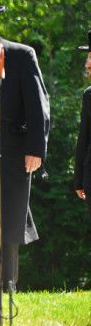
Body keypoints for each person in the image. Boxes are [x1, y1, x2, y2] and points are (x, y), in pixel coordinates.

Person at [0, 27, 50, 289]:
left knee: (9, 218)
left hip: (12, 153)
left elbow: (37, 105)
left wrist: (36, 149)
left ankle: (7, 285)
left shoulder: (21, 55)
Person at [75, 32, 91, 224]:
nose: (87, 64)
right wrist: (78, 178)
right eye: (88, 58)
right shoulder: (89, 95)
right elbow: (84, 137)